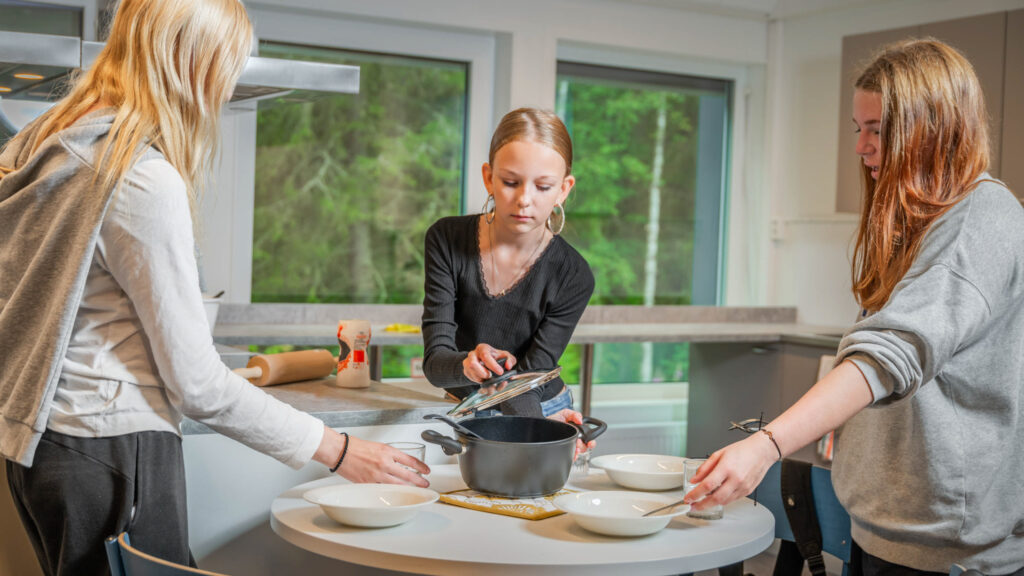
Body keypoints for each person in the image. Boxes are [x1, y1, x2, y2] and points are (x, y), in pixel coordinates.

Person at [0, 1, 428, 574]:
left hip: (45, 446)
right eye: (226, 66)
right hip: (113, 445)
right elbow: (199, 384)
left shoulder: (40, 145)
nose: (227, 89)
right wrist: (340, 449)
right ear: (189, 64)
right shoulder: (137, 177)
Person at [684, 39, 1024, 575]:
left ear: (935, 128)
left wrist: (765, 447)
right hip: (881, 531)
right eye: (857, 128)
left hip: (949, 554)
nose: (862, 147)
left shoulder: (984, 217)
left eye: (879, 130)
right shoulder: (922, 221)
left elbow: (893, 350)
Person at [421, 108, 595, 429]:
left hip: (539, 405)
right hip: (464, 406)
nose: (524, 199)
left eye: (543, 187)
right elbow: (435, 364)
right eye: (511, 182)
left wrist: (545, 431)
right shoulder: (447, 239)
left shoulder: (573, 275)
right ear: (488, 177)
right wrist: (466, 363)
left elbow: (527, 380)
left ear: (564, 189)